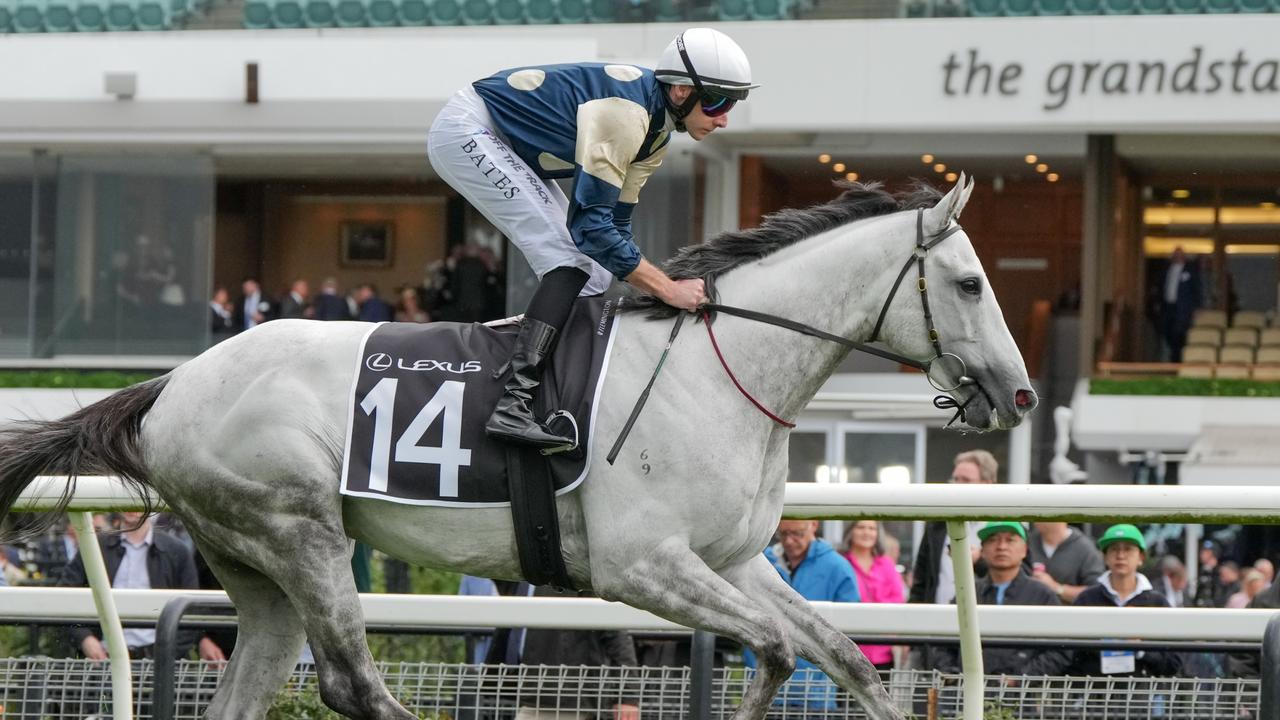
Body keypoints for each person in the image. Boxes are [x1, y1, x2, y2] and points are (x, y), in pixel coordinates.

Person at [427, 28, 757, 451]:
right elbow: (591, 230)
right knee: (572, 260)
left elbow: (615, 228)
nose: (724, 117)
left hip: (505, 143)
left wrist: (654, 284)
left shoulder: (655, 135)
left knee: (596, 274)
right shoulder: (627, 116)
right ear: (679, 91)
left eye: (732, 104)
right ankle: (512, 403)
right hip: (468, 130)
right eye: (717, 101)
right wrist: (668, 289)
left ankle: (550, 390)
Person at [57, 512, 220, 662]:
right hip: (102, 661)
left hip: (160, 663)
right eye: (127, 497)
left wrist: (165, 653)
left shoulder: (177, 551)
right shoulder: (95, 547)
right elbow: (64, 598)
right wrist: (85, 639)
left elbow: (191, 611)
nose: (133, 507)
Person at [746, 519, 859, 712]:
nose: (789, 541)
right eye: (783, 534)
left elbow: (851, 626)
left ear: (814, 525)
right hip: (765, 687)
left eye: (797, 533)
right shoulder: (760, 562)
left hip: (816, 693)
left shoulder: (837, 568)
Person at [932, 522, 1069, 676]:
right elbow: (942, 644)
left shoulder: (1043, 595)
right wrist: (953, 675)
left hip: (1022, 696)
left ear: (1025, 550)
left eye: (1010, 540)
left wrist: (1020, 678)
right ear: (982, 551)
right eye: (993, 540)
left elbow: (1061, 650)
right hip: (968, 694)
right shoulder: (967, 593)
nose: (1001, 546)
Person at [485, 583, 640, 720]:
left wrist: (628, 697)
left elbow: (617, 634)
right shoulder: (526, 574)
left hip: (564, 699)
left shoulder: (573, 572)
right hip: (536, 695)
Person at [1070, 524, 1181, 677]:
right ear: (1105, 557)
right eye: (1114, 549)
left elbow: (1173, 663)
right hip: (1095, 694)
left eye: (1128, 549)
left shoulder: (1157, 602)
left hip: (1145, 696)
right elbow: (1071, 655)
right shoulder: (1087, 599)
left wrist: (1141, 649)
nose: (1121, 555)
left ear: (1141, 557)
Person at [910, 450, 999, 607]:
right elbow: (921, 581)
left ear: (987, 484)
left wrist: (979, 561)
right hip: (937, 620)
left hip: (985, 620)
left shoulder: (1004, 523)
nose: (958, 485)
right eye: (955, 479)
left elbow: (1019, 580)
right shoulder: (936, 524)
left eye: (966, 480)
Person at [841, 520, 904, 671]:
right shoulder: (841, 563)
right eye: (861, 527)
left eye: (872, 528)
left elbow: (897, 599)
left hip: (881, 650)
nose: (866, 532)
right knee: (845, 695)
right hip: (847, 647)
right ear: (851, 531)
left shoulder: (886, 564)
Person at [1027, 522, 1105, 603]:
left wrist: (1057, 588)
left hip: (1069, 614)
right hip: (1029, 613)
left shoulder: (1085, 548)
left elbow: (1097, 593)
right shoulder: (1027, 542)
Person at [1156, 246, 1200, 362]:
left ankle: (1176, 361)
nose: (1177, 257)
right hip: (1168, 308)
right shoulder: (1166, 270)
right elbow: (1161, 287)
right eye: (1175, 255)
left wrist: (1195, 308)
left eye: (1180, 254)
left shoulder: (1190, 270)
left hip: (1182, 310)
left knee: (1179, 335)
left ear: (1184, 256)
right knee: (1167, 333)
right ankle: (1172, 358)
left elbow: (1197, 290)